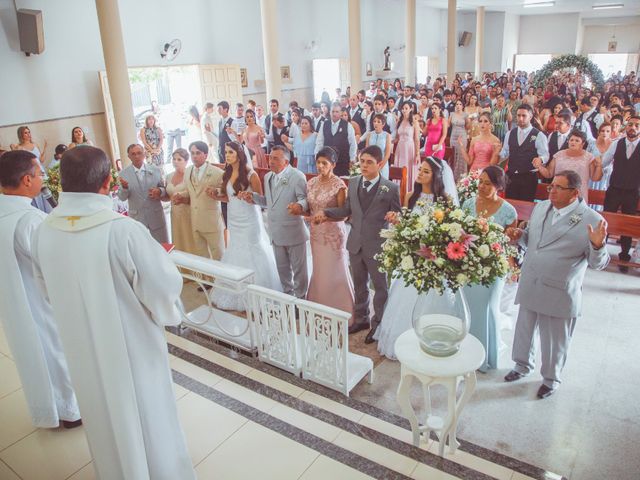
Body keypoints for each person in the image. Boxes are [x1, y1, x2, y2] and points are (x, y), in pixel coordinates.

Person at [31, 146, 195, 479]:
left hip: (80, 349)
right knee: (148, 418)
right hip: (132, 351)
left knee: (103, 415)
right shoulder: (124, 231)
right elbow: (163, 287)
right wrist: (165, 310)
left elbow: (45, 290)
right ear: (108, 182)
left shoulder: (44, 230)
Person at [505, 171, 609, 399]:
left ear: (574, 193)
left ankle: (551, 379)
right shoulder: (541, 207)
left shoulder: (592, 220)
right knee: (524, 329)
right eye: (551, 186)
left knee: (554, 339)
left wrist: (598, 246)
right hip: (532, 279)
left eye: (558, 187)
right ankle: (521, 365)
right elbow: (532, 240)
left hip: (559, 288)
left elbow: (597, 263)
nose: (551, 190)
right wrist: (519, 235)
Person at [0, 150, 81, 429]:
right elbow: (54, 266)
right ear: (26, 180)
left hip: (13, 302)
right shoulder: (29, 220)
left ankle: (49, 409)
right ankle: (70, 411)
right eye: (39, 173)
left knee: (32, 354)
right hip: (39, 301)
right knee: (55, 350)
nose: (42, 178)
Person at [315, 146, 401, 344]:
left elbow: (398, 214)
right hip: (355, 243)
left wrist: (396, 217)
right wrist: (327, 213)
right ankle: (361, 319)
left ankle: (378, 324)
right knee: (359, 285)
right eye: (362, 161)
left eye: (369, 162)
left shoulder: (390, 188)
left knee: (380, 287)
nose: (364, 165)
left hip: (378, 246)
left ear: (380, 164)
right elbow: (346, 209)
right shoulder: (352, 183)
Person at [374, 157, 448, 358]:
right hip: (412, 255)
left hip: (431, 257)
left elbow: (447, 232)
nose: (421, 174)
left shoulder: (444, 200)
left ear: (436, 175)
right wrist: (396, 221)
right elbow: (404, 224)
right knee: (404, 296)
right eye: (420, 170)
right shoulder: (410, 196)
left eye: (426, 171)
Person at [210, 142, 281, 310]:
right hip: (234, 218)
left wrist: (250, 197)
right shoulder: (226, 173)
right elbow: (229, 198)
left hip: (249, 219)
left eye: (231, 152)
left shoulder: (251, 175)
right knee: (235, 249)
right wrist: (216, 196)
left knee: (253, 249)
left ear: (239, 154)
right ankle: (235, 290)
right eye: (226, 152)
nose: (227, 155)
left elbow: (261, 200)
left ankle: (260, 291)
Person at [462, 166, 517, 371]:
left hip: (493, 266)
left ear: (498, 186)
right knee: (467, 306)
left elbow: (510, 242)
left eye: (488, 183)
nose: (482, 186)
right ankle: (466, 350)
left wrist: (511, 265)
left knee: (487, 307)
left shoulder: (508, 210)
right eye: (481, 182)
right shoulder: (468, 204)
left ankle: (485, 354)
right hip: (468, 264)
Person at [238, 145, 309, 298]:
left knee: (299, 270)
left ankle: (301, 300)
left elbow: (304, 200)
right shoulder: (268, 177)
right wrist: (253, 198)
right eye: (270, 157)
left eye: (275, 158)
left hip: (293, 231)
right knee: (282, 269)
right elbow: (270, 202)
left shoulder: (297, 176)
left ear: (286, 161)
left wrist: (298, 206)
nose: (271, 161)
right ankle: (288, 297)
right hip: (275, 232)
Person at [298, 147, 354, 318]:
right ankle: (318, 303)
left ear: (333, 165)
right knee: (320, 268)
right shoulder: (311, 183)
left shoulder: (339, 185)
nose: (320, 166)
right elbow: (310, 208)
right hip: (316, 233)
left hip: (333, 234)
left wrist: (325, 217)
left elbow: (344, 214)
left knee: (335, 269)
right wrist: (302, 211)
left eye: (324, 163)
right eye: (318, 163)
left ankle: (341, 307)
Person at [173, 141, 225, 261]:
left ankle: (221, 280)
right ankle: (206, 280)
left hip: (211, 222)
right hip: (195, 221)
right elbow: (191, 192)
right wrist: (180, 195)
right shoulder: (188, 171)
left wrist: (216, 191)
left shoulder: (217, 173)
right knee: (201, 257)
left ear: (206, 155)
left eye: (198, 153)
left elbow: (226, 193)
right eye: (192, 153)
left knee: (219, 255)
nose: (194, 156)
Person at [601, 116, 640, 270]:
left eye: (637, 125)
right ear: (626, 126)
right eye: (630, 124)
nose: (633, 127)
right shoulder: (616, 144)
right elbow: (604, 162)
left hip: (632, 192)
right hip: (614, 189)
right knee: (606, 221)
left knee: (627, 224)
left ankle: (624, 255)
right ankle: (600, 253)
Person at [117, 144, 169, 243]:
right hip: (137, 218)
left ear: (144, 154)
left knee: (162, 246)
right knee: (141, 248)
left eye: (139, 153)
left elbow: (164, 189)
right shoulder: (123, 174)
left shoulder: (155, 170)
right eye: (133, 154)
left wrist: (159, 191)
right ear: (129, 156)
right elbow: (122, 198)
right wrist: (124, 188)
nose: (136, 156)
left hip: (156, 215)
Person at [534, 129, 603, 203]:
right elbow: (549, 174)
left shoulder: (589, 157)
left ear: (583, 144)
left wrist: (599, 166)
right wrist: (539, 166)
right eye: (571, 140)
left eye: (577, 141)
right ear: (568, 141)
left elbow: (595, 178)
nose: (573, 142)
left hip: (578, 194)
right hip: (559, 192)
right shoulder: (559, 155)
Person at [499, 103, 549, 201]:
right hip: (511, 176)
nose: (520, 118)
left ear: (530, 116)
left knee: (526, 207)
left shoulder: (539, 135)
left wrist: (540, 159)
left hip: (528, 177)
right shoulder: (510, 134)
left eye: (524, 116)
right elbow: (505, 152)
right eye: (518, 115)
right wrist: (499, 153)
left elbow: (545, 155)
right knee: (510, 204)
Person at [165, 148, 197, 254]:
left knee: (190, 240)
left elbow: (196, 196)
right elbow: (166, 195)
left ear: (186, 161)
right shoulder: (168, 176)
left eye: (179, 159)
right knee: (178, 239)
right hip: (174, 214)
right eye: (174, 159)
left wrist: (183, 199)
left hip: (188, 213)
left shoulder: (191, 175)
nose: (175, 162)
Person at [315, 103, 357, 177]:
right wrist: (317, 157)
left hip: (343, 161)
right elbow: (319, 142)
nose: (334, 114)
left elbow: (353, 144)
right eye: (333, 111)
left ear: (341, 113)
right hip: (327, 162)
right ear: (330, 112)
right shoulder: (324, 124)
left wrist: (352, 158)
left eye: (337, 112)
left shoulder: (347, 125)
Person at [393, 103, 420, 184]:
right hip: (400, 148)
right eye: (403, 108)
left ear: (410, 109)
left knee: (409, 169)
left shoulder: (414, 122)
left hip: (410, 148)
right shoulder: (399, 121)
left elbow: (416, 139)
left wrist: (417, 154)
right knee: (400, 168)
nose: (404, 110)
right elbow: (397, 137)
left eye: (406, 108)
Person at [365, 113, 393, 179]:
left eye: (378, 122)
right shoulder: (369, 135)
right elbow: (366, 151)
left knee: (382, 187)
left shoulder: (387, 136)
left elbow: (387, 154)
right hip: (370, 164)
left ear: (383, 124)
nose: (376, 123)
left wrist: (380, 167)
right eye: (374, 121)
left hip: (382, 164)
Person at [449, 99, 470, 181]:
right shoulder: (452, 114)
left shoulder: (465, 115)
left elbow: (468, 126)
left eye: (460, 104)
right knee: (453, 155)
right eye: (457, 104)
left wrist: (470, 121)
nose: (458, 105)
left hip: (462, 136)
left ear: (462, 106)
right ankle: (452, 177)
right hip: (453, 136)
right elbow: (447, 124)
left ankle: (461, 177)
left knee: (461, 156)